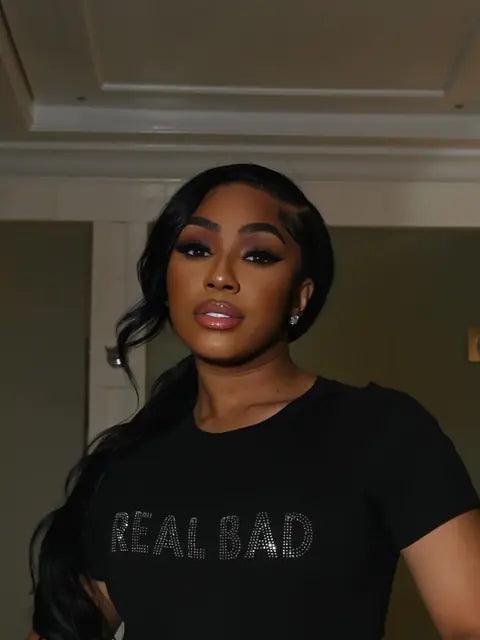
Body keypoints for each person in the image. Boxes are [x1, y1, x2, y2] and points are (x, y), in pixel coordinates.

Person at [28, 163, 480, 640]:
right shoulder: (127, 462)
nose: (220, 275)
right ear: (168, 278)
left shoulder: (381, 431)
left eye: (258, 255)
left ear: (300, 297)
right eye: (196, 249)